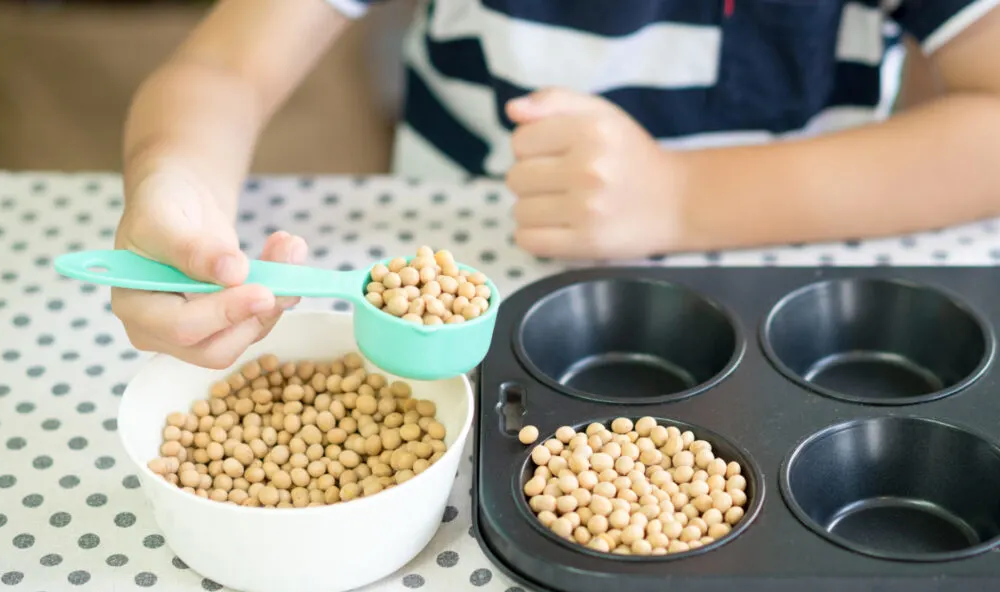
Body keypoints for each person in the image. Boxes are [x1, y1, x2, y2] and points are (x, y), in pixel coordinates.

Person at [112, 0, 1000, 369]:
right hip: (458, 291)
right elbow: (223, 70)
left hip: (781, 287)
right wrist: (174, 184)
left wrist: (684, 198)